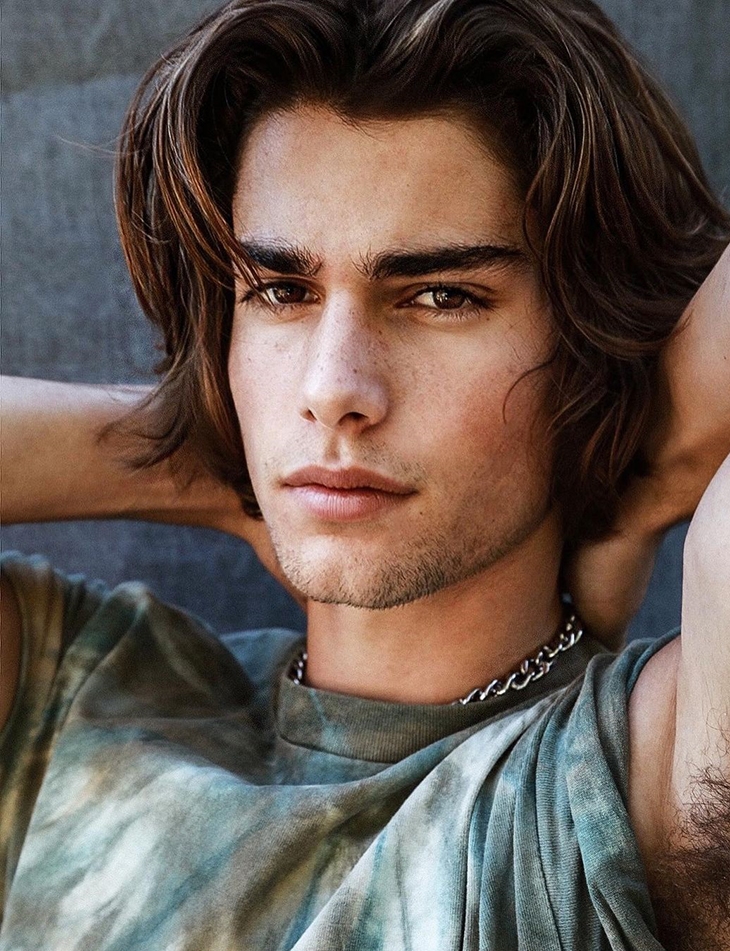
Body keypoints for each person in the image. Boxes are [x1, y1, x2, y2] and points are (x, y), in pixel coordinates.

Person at [1, 0, 729, 947]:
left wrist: (658, 459)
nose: (332, 388)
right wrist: (200, 446)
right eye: (280, 290)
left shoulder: (628, 785)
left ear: (589, 344)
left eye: (441, 295)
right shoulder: (82, 693)